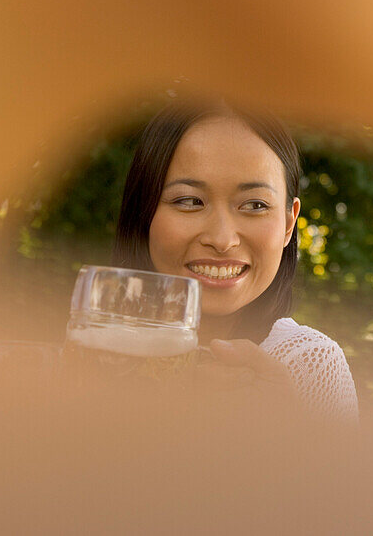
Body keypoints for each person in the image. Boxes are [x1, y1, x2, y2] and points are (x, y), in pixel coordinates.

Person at [113, 99, 358, 422]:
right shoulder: (91, 346)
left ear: (288, 224)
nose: (222, 239)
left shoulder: (308, 363)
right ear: (143, 212)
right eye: (189, 201)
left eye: (255, 205)